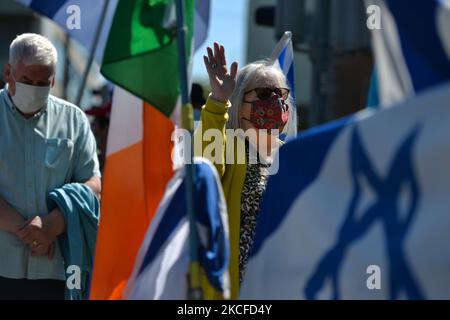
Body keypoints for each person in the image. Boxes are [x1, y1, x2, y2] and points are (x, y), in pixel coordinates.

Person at [0, 33, 101, 299]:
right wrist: (33, 232)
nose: (34, 89)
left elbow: (93, 185)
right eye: (26, 81)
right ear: (8, 72)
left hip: (56, 271)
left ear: (53, 80)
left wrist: (52, 225)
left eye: (42, 83)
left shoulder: (74, 120)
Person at [197, 42, 293, 299]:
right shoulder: (229, 146)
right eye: (263, 94)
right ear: (240, 100)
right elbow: (203, 173)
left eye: (280, 95)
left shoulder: (293, 155)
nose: (274, 102)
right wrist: (218, 102)